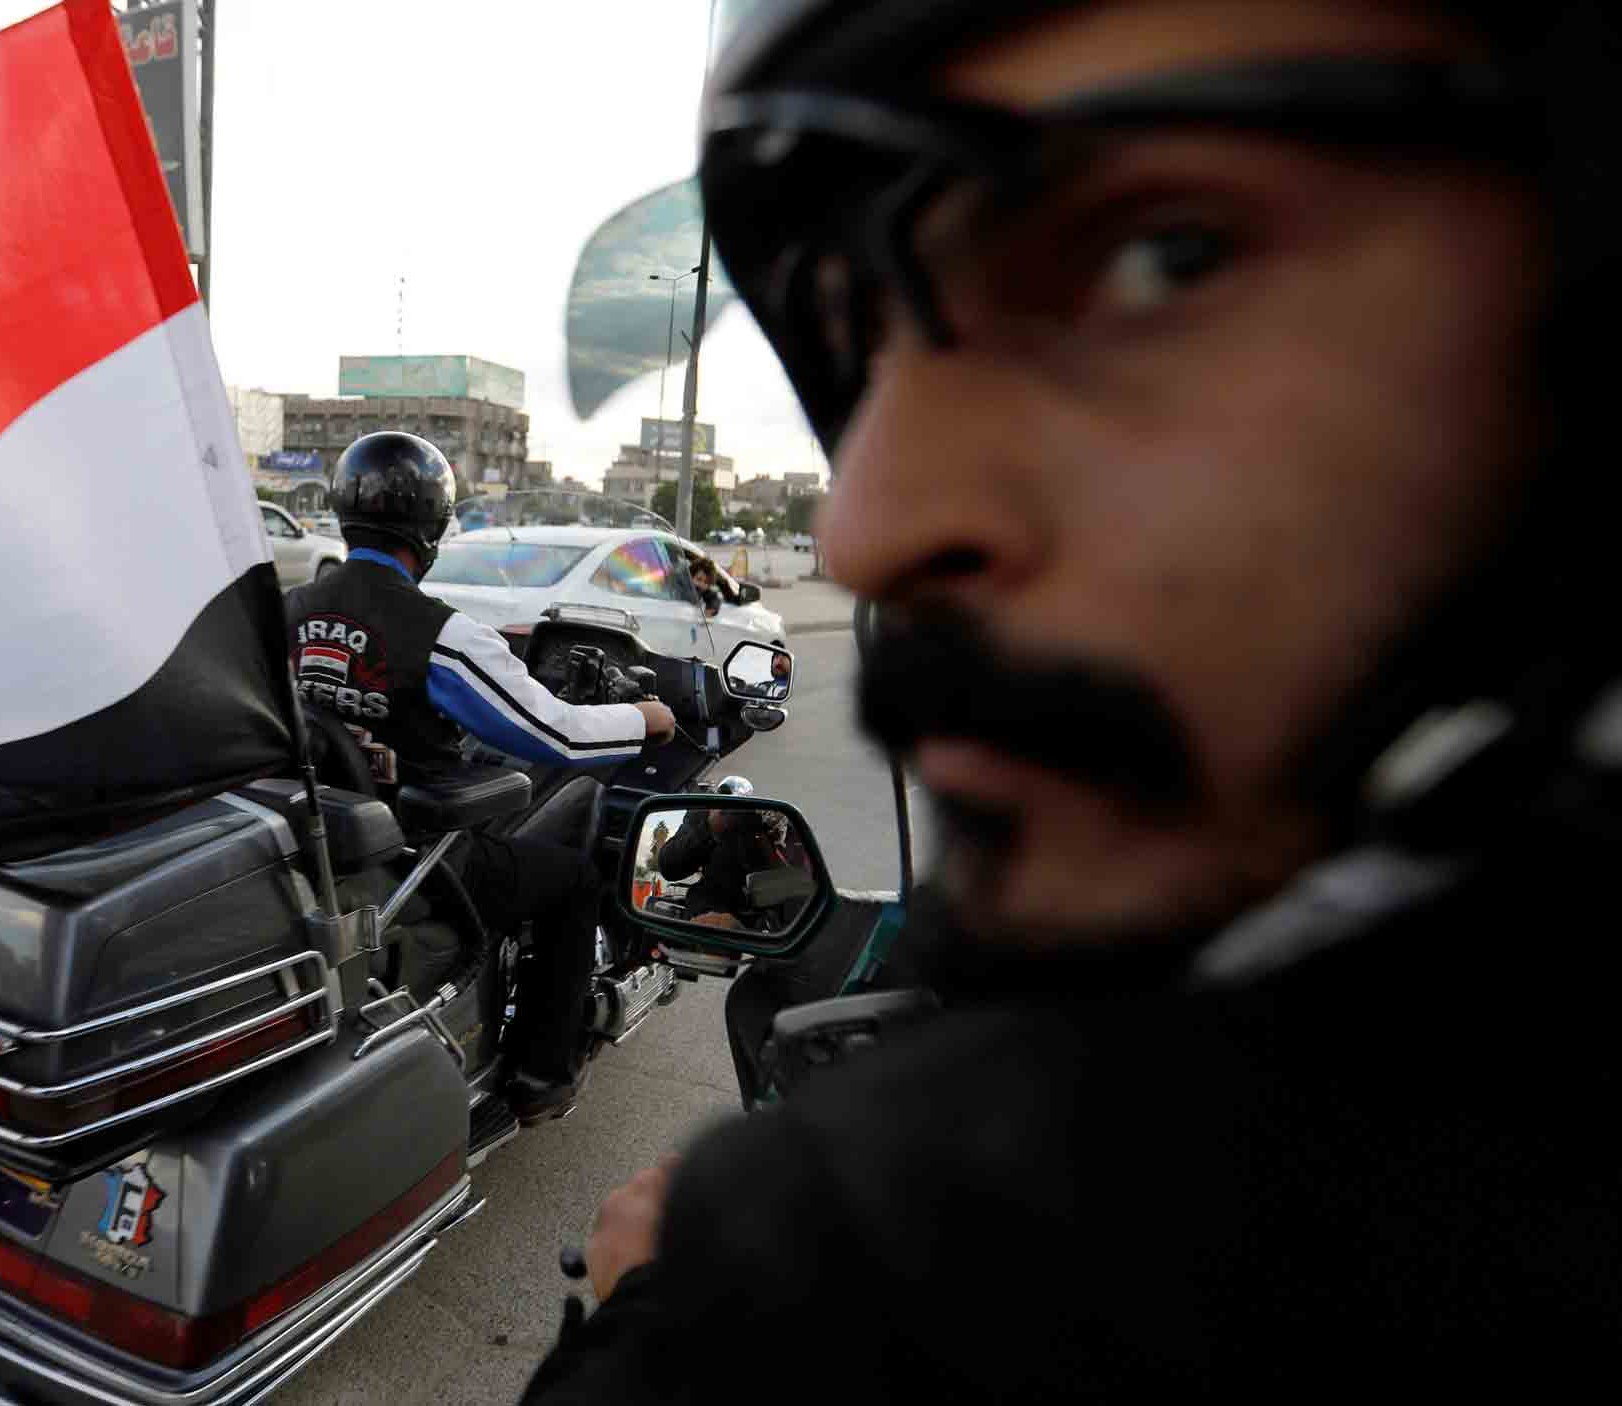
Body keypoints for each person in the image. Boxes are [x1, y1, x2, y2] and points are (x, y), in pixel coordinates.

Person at [523, 0, 1622, 1399]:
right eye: (865, 344)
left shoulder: (851, 1267)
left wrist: (667, 1308)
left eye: (1160, 255)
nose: (870, 524)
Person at [288, 430, 677, 1123]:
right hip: (424, 855)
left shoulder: (288, 614)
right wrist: (641, 717)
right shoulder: (438, 634)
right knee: (572, 878)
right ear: (432, 525)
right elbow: (553, 732)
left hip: (324, 845)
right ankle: (540, 1074)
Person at [655, 807, 803, 930]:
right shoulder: (709, 808)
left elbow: (803, 878)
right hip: (714, 922)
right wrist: (710, 828)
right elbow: (669, 866)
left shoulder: (786, 818)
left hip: (783, 921)